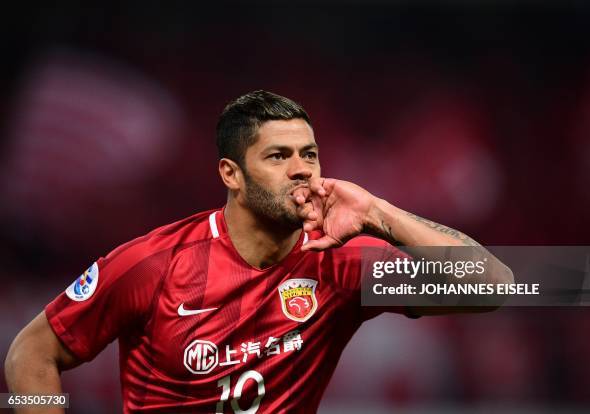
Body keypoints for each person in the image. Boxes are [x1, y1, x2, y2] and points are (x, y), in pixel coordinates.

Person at [5, 90, 512, 413]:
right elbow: (32, 352)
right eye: (278, 156)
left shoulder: (341, 266)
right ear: (232, 175)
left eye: (308, 155)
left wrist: (383, 214)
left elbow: (492, 287)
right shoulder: (152, 264)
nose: (301, 170)